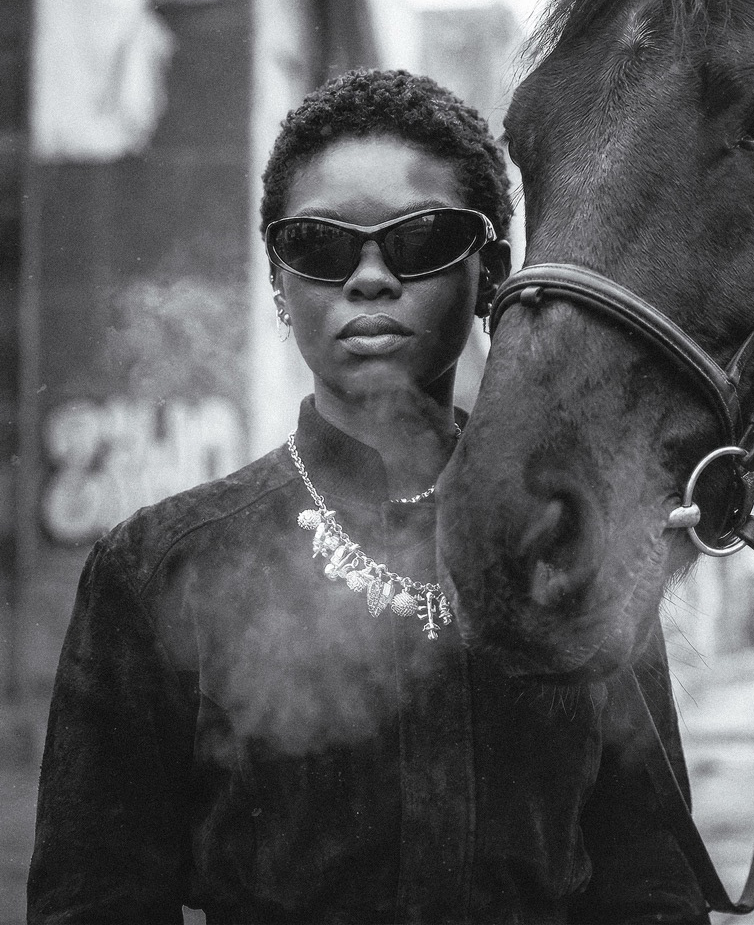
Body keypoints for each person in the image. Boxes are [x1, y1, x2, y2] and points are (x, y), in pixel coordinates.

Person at [28, 68, 708, 924]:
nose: (370, 278)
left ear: (491, 273)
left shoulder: (575, 552)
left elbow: (653, 891)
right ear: (279, 283)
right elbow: (93, 902)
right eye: (319, 246)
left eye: (421, 240)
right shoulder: (158, 570)